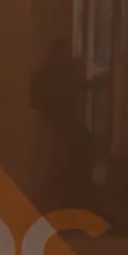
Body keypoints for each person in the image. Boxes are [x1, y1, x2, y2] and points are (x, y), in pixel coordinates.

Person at [30, 39, 95, 207]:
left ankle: (47, 203)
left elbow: (35, 99)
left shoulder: (42, 71)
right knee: (64, 161)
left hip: (50, 122)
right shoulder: (62, 71)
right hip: (62, 122)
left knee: (55, 162)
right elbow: (74, 88)